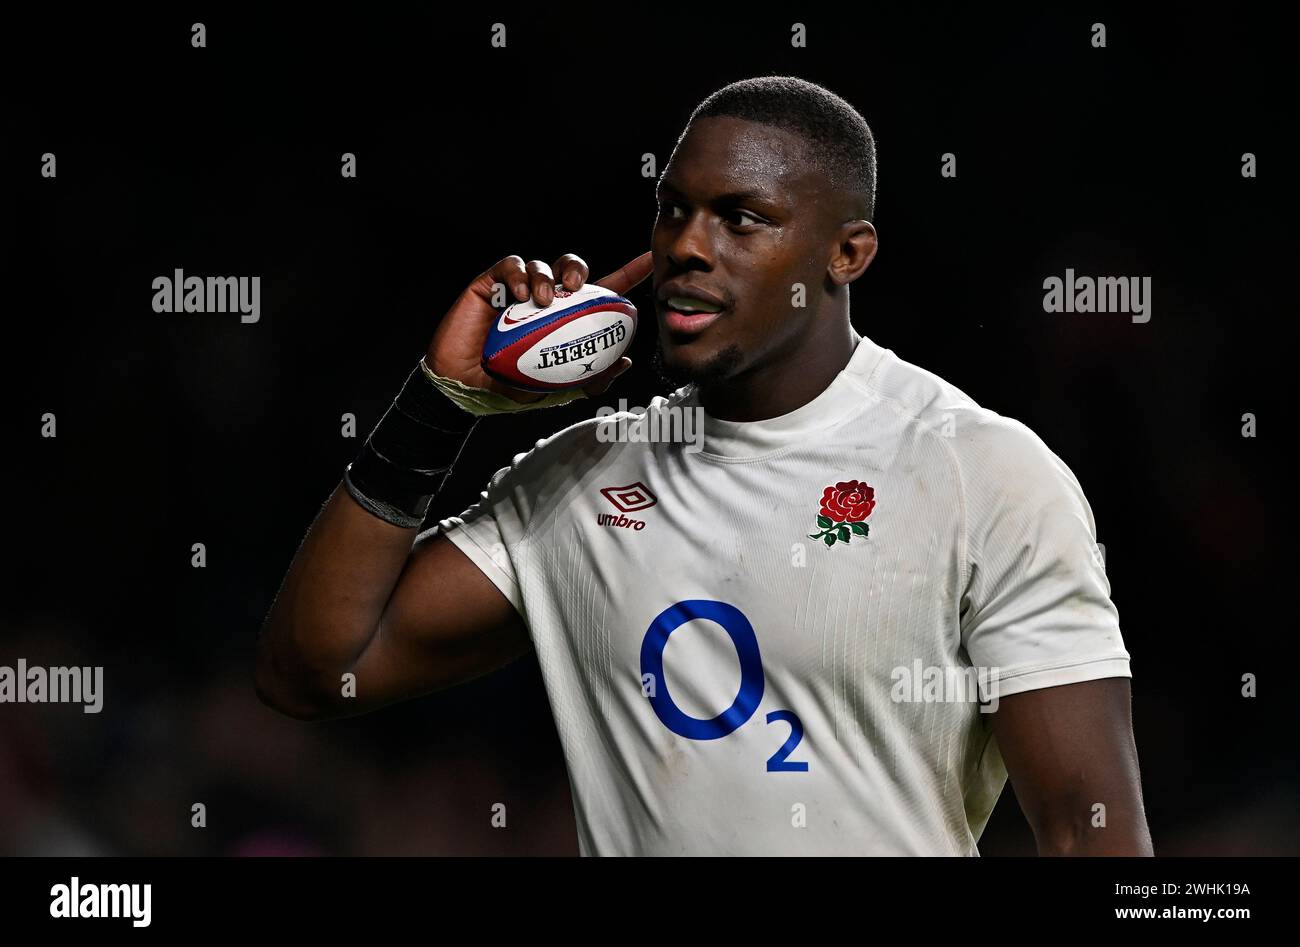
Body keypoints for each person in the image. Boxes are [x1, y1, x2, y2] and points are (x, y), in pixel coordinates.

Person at [256, 76, 1152, 856]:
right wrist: (441, 404)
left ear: (848, 253)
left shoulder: (980, 472)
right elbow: (312, 671)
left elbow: (1089, 826)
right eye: (674, 208)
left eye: (741, 218)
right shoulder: (579, 480)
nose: (687, 245)